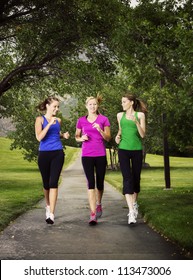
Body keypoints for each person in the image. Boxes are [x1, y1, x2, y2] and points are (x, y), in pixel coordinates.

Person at [75, 95, 111, 225]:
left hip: (100, 154)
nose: (92, 106)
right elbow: (76, 136)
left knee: (99, 183)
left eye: (94, 104)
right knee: (91, 182)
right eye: (90, 104)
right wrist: (81, 138)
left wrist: (100, 130)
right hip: (87, 155)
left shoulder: (104, 119)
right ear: (86, 106)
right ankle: (92, 214)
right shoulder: (81, 121)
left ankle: (99, 204)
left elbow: (108, 138)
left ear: (98, 106)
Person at [35, 96, 70, 224]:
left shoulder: (58, 120)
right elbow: (39, 137)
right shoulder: (40, 119)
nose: (57, 109)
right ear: (48, 106)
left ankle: (51, 214)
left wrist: (63, 135)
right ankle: (48, 205)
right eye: (55, 106)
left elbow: (55, 134)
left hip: (57, 153)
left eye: (58, 107)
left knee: (53, 182)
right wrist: (49, 123)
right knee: (46, 183)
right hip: (44, 154)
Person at [115, 92, 147, 224]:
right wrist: (117, 137)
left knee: (136, 178)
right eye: (122, 102)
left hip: (136, 150)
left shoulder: (140, 115)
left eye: (124, 102)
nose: (122, 104)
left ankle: (134, 204)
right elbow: (121, 130)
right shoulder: (119, 115)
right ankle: (131, 212)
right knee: (127, 178)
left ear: (131, 102)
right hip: (123, 150)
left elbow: (143, 135)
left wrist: (137, 123)